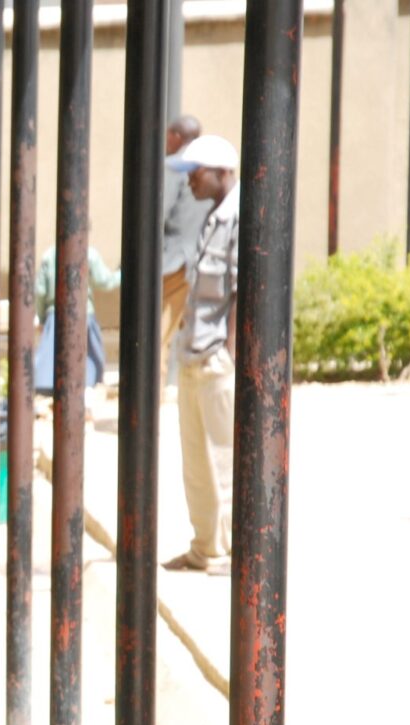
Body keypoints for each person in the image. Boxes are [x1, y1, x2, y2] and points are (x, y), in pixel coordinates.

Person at [164, 134, 240, 574]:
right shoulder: (213, 218)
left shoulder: (239, 219)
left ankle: (231, 552)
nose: (190, 183)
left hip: (215, 361)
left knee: (224, 460)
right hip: (194, 357)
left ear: (220, 172)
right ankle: (205, 548)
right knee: (196, 461)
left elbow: (241, 291)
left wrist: (229, 355)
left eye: (196, 174)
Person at [160, 115, 215, 397]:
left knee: (156, 336)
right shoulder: (206, 167)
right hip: (196, 262)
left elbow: (159, 210)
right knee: (186, 334)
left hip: (170, 263)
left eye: (168, 135)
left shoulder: (175, 167)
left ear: (176, 136)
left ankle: (148, 403)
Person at [31, 245, 119, 398]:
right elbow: (105, 282)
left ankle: (48, 387)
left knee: (51, 355)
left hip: (55, 313)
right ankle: (84, 385)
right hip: (83, 313)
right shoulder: (89, 254)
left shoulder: (49, 255)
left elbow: (40, 291)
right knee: (85, 355)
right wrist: (124, 273)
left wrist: (42, 316)